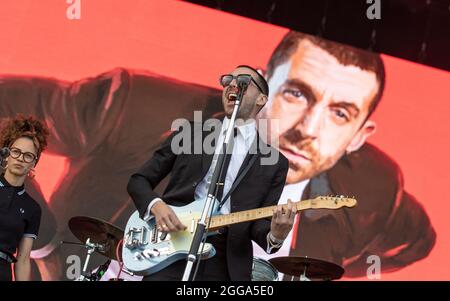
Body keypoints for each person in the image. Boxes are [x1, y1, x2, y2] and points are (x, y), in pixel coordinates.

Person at [253, 31, 436, 278]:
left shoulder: (374, 195)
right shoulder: (188, 137)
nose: (307, 130)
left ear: (358, 136)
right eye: (295, 94)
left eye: (340, 114)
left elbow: (418, 243)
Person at [127, 65, 292, 281]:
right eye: (228, 80)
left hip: (224, 261)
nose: (232, 84)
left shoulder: (275, 163)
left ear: (261, 99)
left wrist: (276, 235)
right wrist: (156, 206)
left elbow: (259, 227)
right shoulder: (190, 133)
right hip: (173, 242)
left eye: (243, 81)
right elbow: (139, 181)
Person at [0, 115, 49, 281]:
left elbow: (23, 259)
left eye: (28, 156)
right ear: (6, 153)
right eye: (16, 151)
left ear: (34, 163)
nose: (20, 158)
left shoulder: (32, 208)